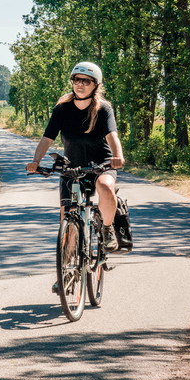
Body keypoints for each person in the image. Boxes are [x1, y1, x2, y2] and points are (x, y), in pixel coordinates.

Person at [26, 62, 126, 262]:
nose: (80, 84)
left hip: (101, 164)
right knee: (68, 218)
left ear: (95, 85)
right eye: (76, 80)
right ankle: (66, 272)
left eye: (86, 81)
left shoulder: (103, 109)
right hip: (71, 167)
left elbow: (112, 136)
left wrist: (118, 156)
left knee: (105, 186)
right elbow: (47, 138)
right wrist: (35, 161)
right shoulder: (62, 109)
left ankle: (107, 229)